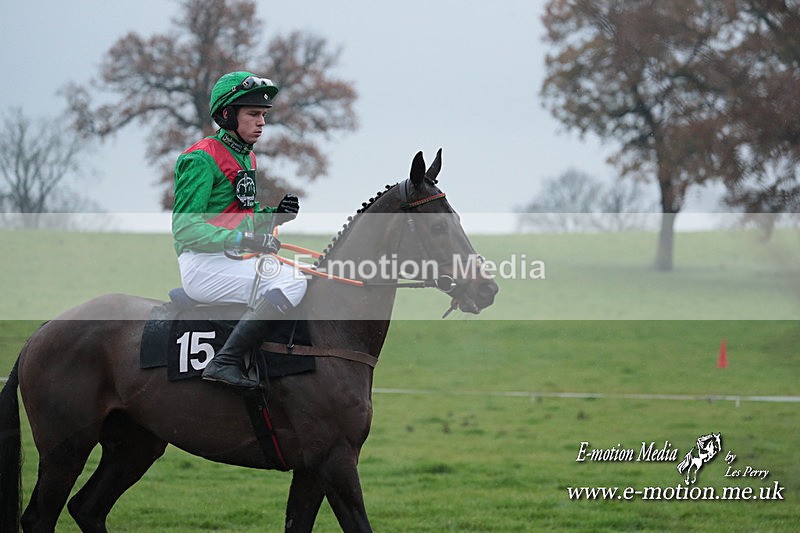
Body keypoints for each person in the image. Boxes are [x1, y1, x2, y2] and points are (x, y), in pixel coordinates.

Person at [172, 71, 307, 389]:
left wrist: (272, 217)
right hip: (202, 264)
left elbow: (239, 217)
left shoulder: (246, 157)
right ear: (227, 114)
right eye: (253, 114)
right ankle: (224, 363)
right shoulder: (201, 158)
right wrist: (247, 239)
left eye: (263, 115)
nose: (261, 122)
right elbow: (186, 229)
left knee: (308, 274)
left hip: (230, 259)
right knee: (293, 282)